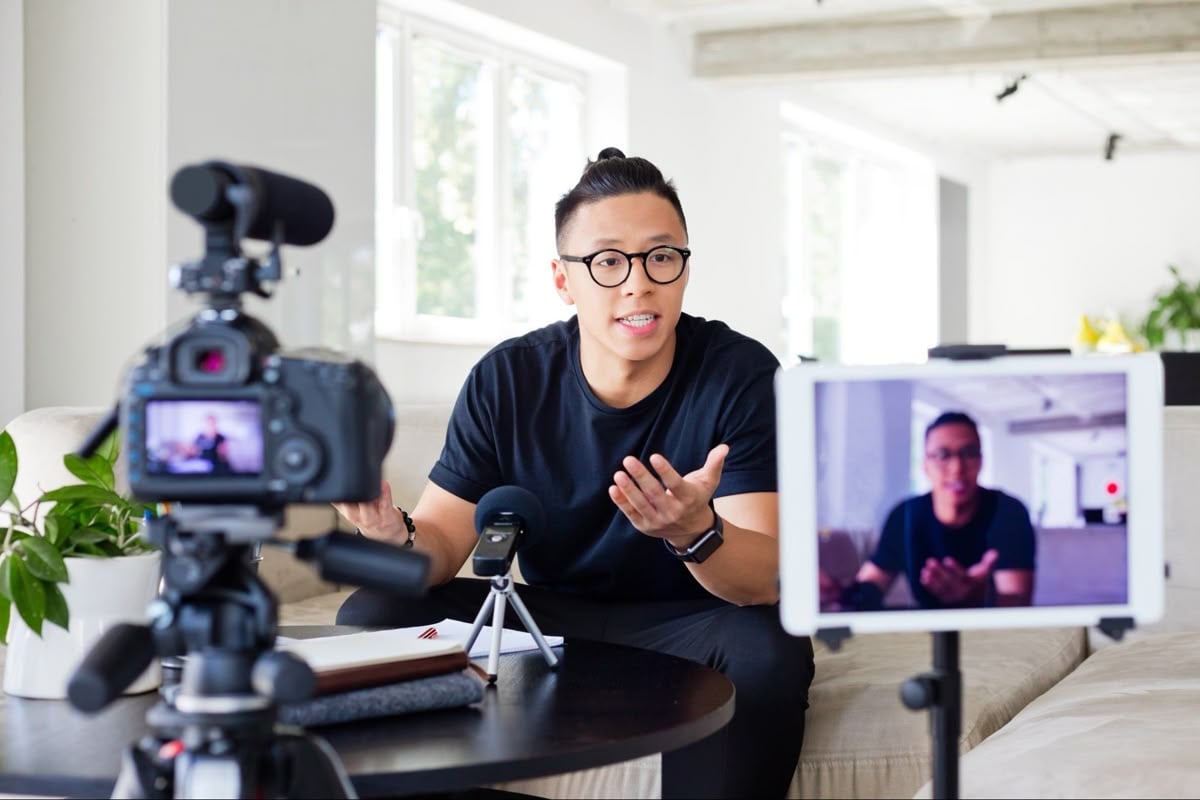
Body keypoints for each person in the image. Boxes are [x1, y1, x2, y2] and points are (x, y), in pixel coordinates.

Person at [333, 148, 814, 798]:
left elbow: (764, 580)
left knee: (772, 644)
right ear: (565, 281)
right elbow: (442, 546)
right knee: (375, 609)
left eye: (661, 257)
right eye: (608, 261)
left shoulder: (739, 374)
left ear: (683, 269)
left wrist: (695, 531)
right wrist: (393, 537)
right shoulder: (509, 379)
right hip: (549, 624)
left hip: (692, 625)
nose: (638, 284)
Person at [844, 411, 1036, 610]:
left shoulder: (1008, 513)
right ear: (925, 466)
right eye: (943, 455)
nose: (956, 468)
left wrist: (978, 596)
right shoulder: (905, 515)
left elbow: (1018, 602)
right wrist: (842, 595)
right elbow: (873, 581)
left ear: (981, 461)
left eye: (969, 453)